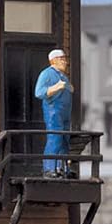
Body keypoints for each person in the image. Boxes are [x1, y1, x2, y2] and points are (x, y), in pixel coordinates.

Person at [33, 48, 73, 176]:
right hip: (53, 111)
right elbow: (39, 92)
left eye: (64, 59)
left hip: (65, 112)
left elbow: (69, 89)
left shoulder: (63, 76)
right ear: (53, 60)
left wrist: (69, 88)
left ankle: (63, 168)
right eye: (62, 59)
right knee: (55, 138)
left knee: (65, 139)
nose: (65, 62)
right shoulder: (47, 74)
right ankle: (49, 168)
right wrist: (56, 87)